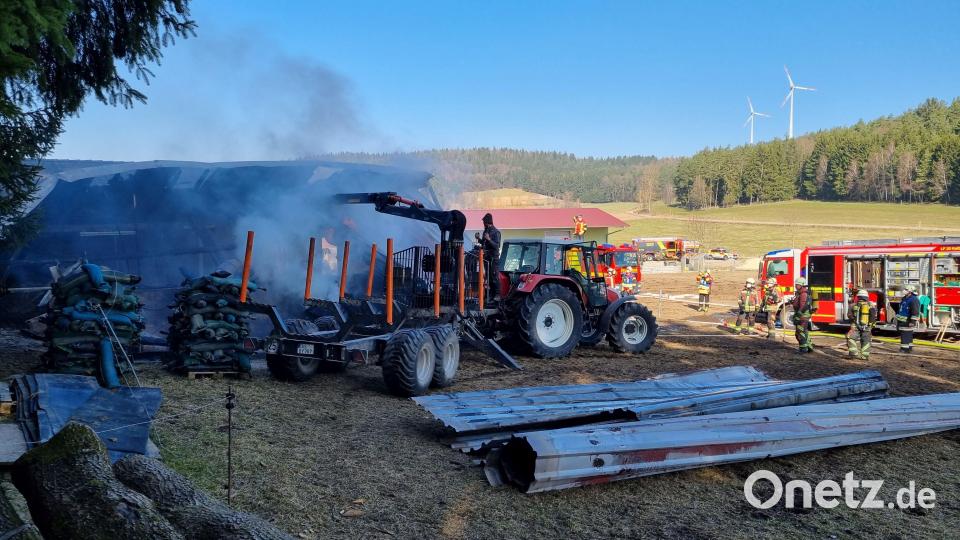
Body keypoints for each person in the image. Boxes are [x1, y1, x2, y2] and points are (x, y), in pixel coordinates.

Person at [846, 289, 877, 360]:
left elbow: (849, 315)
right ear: (867, 297)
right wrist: (870, 325)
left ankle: (854, 354)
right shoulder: (871, 305)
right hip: (867, 326)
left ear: (858, 297)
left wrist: (854, 319)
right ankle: (864, 356)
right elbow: (874, 316)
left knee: (850, 338)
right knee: (866, 340)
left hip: (855, 326)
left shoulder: (852, 305)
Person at [791, 277, 816, 353]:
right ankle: (809, 346)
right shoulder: (801, 293)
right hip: (803, 315)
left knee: (800, 332)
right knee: (804, 331)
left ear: (802, 285)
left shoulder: (803, 294)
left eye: (797, 284)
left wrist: (798, 315)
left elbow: (803, 306)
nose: (796, 286)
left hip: (803, 316)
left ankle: (803, 349)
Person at [481, 213, 501, 299]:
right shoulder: (486, 231)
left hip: (493, 258)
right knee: (488, 277)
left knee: (494, 276)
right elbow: (484, 244)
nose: (483, 224)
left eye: (484, 222)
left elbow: (497, 246)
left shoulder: (496, 232)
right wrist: (479, 239)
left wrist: (489, 239)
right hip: (487, 258)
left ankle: (497, 294)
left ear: (487, 222)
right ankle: (491, 295)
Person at [896, 285, 921, 353]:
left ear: (910, 291)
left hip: (908, 321)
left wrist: (912, 321)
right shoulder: (905, 298)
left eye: (906, 289)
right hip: (902, 321)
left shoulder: (914, 299)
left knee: (905, 335)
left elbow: (915, 312)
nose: (904, 291)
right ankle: (909, 348)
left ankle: (904, 349)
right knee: (908, 335)